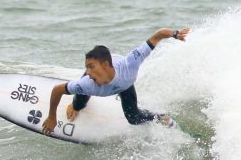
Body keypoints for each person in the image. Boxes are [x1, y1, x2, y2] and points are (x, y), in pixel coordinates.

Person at [41, 27, 191, 135]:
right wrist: (52, 116)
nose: (88, 72)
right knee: (79, 104)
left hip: (124, 85)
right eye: (86, 68)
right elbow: (58, 90)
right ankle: (75, 106)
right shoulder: (87, 83)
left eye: (91, 67)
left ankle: (161, 117)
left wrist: (175, 34)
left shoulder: (130, 64)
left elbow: (158, 35)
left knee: (134, 118)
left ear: (105, 65)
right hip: (107, 84)